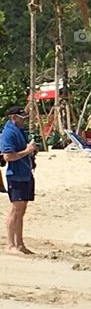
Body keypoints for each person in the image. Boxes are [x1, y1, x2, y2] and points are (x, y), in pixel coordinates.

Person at [2, 106, 38, 254]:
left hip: (25, 174)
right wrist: (27, 151)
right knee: (15, 209)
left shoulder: (19, 131)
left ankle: (20, 243)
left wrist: (31, 151)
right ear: (13, 118)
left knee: (21, 210)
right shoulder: (8, 133)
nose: (24, 120)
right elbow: (7, 156)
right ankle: (10, 245)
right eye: (21, 118)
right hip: (15, 175)